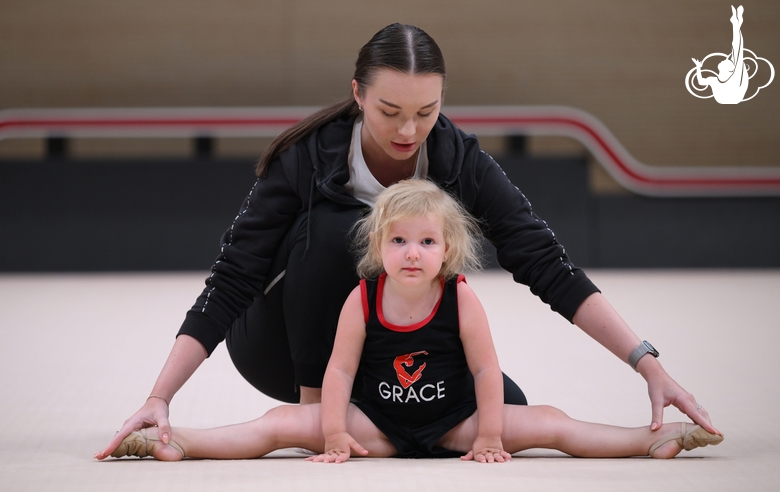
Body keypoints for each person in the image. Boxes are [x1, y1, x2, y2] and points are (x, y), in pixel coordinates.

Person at [99, 22, 720, 459]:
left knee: (509, 413)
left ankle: (369, 422)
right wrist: (160, 395)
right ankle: (319, 419)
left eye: (426, 111)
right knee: (343, 232)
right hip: (289, 347)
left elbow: (546, 262)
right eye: (390, 110)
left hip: (401, 357)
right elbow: (232, 276)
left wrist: (648, 363)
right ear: (358, 95)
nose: (408, 129)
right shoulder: (307, 158)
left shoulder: (456, 158)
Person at [97, 180, 723, 462]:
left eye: (427, 242)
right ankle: (174, 442)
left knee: (549, 423)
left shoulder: (461, 298)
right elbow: (338, 368)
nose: (413, 254)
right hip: (382, 423)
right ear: (377, 248)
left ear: (447, 250)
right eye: (399, 243)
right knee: (282, 423)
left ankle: (651, 440)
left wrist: (486, 435)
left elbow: (485, 367)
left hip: (452, 421)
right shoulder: (362, 299)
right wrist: (337, 432)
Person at [692, 5, 748, 104]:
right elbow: (700, 82)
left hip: (732, 96)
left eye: (727, 61)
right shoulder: (715, 80)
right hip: (731, 97)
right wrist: (698, 67)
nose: (724, 59)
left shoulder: (731, 78)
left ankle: (736, 23)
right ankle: (736, 23)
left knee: (737, 51)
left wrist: (698, 68)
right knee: (737, 52)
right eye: (728, 60)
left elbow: (737, 49)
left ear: (729, 69)